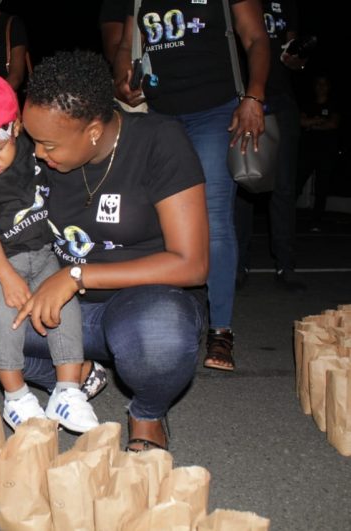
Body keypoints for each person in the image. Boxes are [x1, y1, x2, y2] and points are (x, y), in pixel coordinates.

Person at [0, 50, 208, 452]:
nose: (35, 153)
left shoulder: (158, 142)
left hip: (133, 306)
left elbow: (191, 264)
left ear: (92, 131)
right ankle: (71, 376)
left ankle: (146, 412)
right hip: (46, 303)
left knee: (159, 336)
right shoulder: (32, 156)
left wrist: (76, 276)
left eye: (47, 143)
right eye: (31, 139)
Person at [113, 0, 270, 372]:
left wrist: (254, 96)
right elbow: (125, 46)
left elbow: (256, 38)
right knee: (156, 221)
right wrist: (122, 78)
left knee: (213, 217)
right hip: (159, 115)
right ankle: (167, 315)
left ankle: (221, 329)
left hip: (214, 112)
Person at [0, 75, 104, 432]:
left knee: (63, 310)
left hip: (44, 251)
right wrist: (7, 277)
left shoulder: (35, 148)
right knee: (5, 320)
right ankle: (16, 398)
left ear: (16, 126)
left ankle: (67, 391)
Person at [235, 0, 307, 292]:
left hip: (281, 99)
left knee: (284, 187)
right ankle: (238, 264)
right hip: (242, 98)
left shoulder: (286, 4)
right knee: (242, 183)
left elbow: (293, 52)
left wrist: (297, 58)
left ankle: (285, 264)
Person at [297, 74, 340, 233]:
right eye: (318, 84)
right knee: (298, 182)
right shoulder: (308, 104)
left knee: (322, 186)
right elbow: (301, 121)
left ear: (328, 87)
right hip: (307, 150)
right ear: (315, 87)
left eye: (324, 84)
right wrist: (319, 121)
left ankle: (316, 220)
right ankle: (289, 215)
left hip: (326, 152)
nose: (321, 87)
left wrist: (312, 123)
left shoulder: (333, 104)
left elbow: (333, 123)